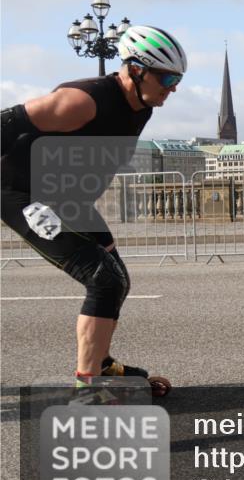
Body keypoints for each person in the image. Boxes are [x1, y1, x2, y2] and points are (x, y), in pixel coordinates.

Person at [1, 25, 187, 396]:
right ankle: (88, 391)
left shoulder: (142, 104)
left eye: (177, 79)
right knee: (104, 279)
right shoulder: (81, 101)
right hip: (23, 193)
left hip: (66, 198)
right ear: (136, 70)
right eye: (167, 77)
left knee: (118, 277)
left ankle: (101, 365)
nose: (173, 88)